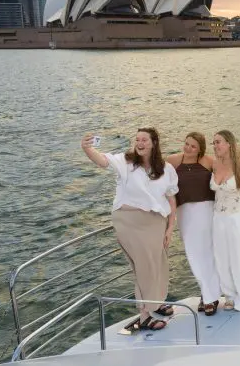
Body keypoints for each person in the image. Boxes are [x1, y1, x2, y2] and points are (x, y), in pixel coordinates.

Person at [81, 128, 178, 332]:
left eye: (144, 140)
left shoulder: (166, 168)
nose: (140, 143)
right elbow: (102, 160)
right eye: (137, 139)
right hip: (130, 221)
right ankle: (145, 316)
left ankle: (155, 304)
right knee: (144, 267)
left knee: (157, 265)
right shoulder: (126, 162)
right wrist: (87, 148)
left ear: (154, 143)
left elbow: (171, 198)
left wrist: (170, 227)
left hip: (156, 222)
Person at [166, 132, 221, 316]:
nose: (188, 148)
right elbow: (156, 176)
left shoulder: (208, 161)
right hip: (185, 213)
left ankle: (209, 297)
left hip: (206, 210)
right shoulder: (173, 161)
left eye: (193, 146)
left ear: (200, 149)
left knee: (207, 252)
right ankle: (207, 293)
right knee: (193, 254)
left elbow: (228, 171)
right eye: (186, 143)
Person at [210, 130, 240, 311]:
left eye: (218, 142)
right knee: (222, 258)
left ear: (229, 144)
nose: (215, 146)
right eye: (213, 143)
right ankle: (229, 295)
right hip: (219, 218)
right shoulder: (214, 164)